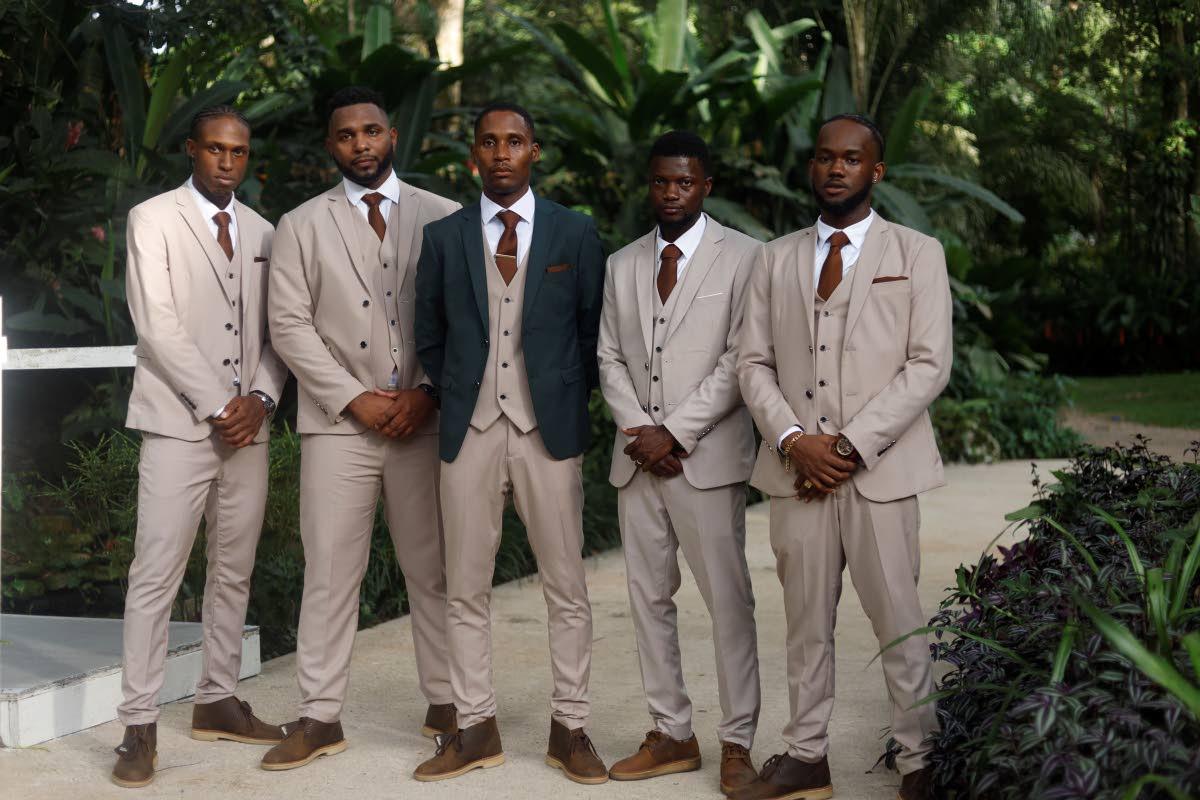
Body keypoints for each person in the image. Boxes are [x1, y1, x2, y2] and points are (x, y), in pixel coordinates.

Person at [734, 114, 952, 800]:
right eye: (825, 158)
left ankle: (920, 761)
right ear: (813, 169)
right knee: (805, 624)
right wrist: (796, 442)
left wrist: (851, 447)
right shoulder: (774, 259)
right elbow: (752, 363)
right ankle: (806, 755)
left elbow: (929, 366)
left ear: (875, 171)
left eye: (851, 159)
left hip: (880, 473)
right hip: (799, 473)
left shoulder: (917, 253)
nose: (836, 169)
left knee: (899, 620)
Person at [261, 86, 460, 771]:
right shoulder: (300, 224)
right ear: (332, 146)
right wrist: (354, 398)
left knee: (433, 569)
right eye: (346, 136)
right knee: (330, 573)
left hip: (422, 424)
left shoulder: (445, 216)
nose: (361, 145)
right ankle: (318, 716)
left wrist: (427, 393)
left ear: (392, 135)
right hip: (337, 428)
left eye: (371, 131)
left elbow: (464, 320)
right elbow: (288, 324)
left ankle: (448, 701)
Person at [411, 101, 608, 784]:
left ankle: (571, 728)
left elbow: (591, 333)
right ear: (474, 153)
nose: (502, 153)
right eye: (489, 142)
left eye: (515, 141)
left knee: (567, 586)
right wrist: (465, 390)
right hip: (468, 430)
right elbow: (429, 334)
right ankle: (475, 728)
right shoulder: (444, 237)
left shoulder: (575, 233)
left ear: (534, 151)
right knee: (464, 587)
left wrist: (554, 395)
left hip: (546, 431)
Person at [114, 105, 287, 789]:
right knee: (155, 575)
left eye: (238, 152)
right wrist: (221, 406)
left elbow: (282, 330)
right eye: (214, 149)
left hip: (250, 427)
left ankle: (218, 699)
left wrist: (263, 400)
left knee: (233, 569)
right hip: (178, 423)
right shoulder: (152, 219)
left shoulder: (268, 232)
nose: (225, 161)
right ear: (192, 150)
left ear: (248, 159)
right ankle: (138, 726)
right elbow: (156, 324)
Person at [597, 131, 762, 796]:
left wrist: (677, 432)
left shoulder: (747, 258)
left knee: (729, 604)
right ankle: (671, 733)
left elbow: (741, 359)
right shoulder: (623, 263)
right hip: (637, 461)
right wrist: (639, 429)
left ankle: (738, 742)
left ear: (706, 187)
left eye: (684, 183)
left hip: (707, 461)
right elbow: (608, 355)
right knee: (648, 602)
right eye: (662, 182)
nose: (671, 193)